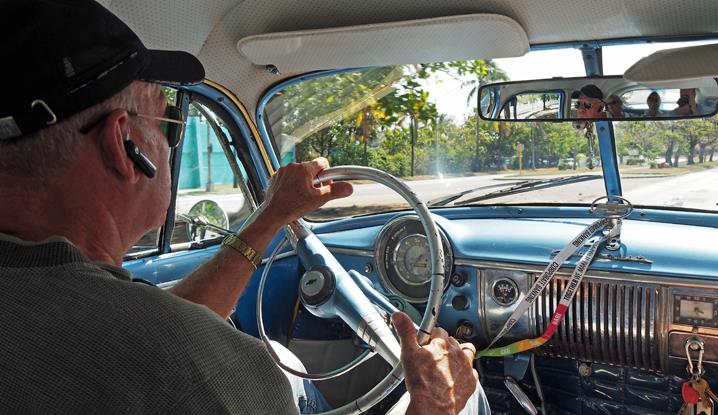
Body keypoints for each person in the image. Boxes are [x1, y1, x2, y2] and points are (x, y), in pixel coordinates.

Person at [0, 1, 479, 414]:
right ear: (123, 146)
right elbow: (163, 343)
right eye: (168, 121)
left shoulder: (96, 330)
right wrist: (430, 407)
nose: (172, 144)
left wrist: (273, 214)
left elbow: (145, 327)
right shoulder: (199, 372)